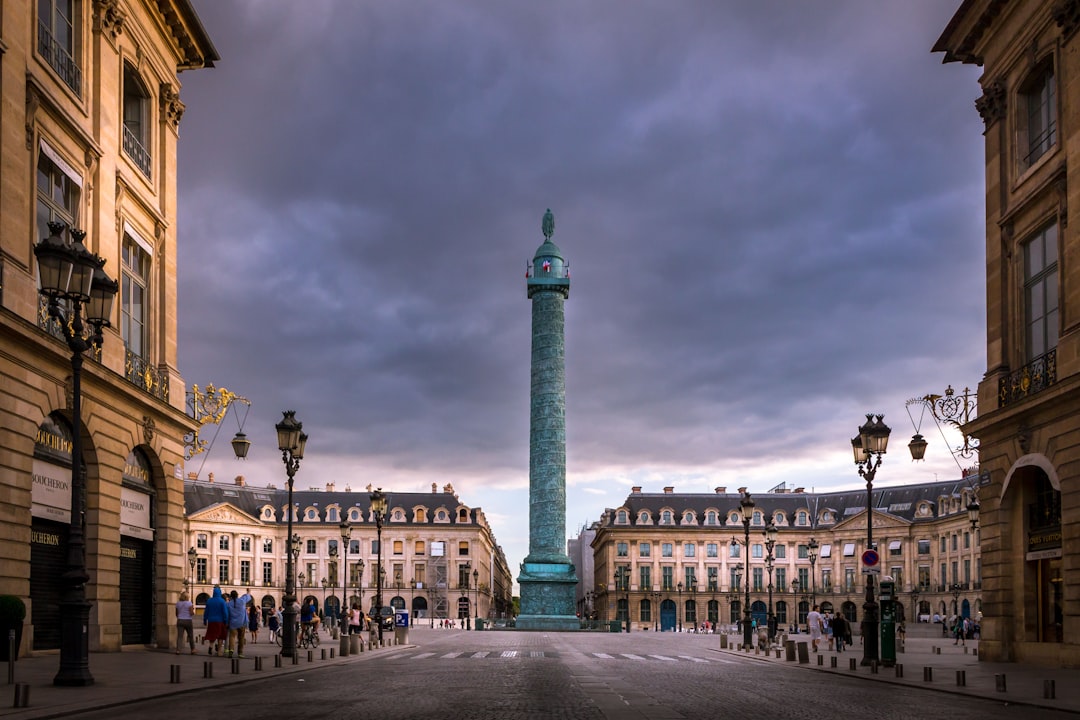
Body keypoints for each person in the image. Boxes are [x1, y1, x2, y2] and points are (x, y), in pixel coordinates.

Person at [226, 588, 253, 658]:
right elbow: (247, 597)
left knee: (232, 637)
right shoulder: (241, 601)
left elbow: (227, 614)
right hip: (241, 622)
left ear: (230, 596)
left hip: (232, 623)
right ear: (237, 595)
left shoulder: (229, 604)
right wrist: (248, 591)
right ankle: (240, 653)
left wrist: (227, 622)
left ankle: (231, 650)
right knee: (241, 638)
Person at [203, 586, 229, 656]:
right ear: (220, 593)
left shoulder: (209, 601)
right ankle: (219, 651)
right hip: (220, 621)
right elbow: (225, 612)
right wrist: (226, 621)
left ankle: (211, 646)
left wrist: (205, 620)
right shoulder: (222, 601)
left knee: (212, 634)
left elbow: (206, 612)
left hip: (211, 621)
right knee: (220, 636)